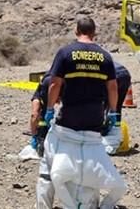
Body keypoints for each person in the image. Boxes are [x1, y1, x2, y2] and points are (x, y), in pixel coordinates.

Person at [36, 17, 127, 209]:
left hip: (68, 118)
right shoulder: (105, 56)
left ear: (76, 31)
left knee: (49, 162)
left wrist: (50, 110)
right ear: (94, 33)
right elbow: (112, 87)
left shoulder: (65, 53)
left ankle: (44, 204)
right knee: (90, 160)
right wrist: (112, 113)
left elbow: (54, 84)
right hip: (94, 120)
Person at [18, 61, 131, 160]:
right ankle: (113, 138)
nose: (57, 101)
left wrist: (35, 138)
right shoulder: (59, 75)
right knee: (114, 110)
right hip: (122, 73)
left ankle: (103, 141)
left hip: (109, 77)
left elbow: (34, 114)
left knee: (99, 108)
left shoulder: (44, 91)